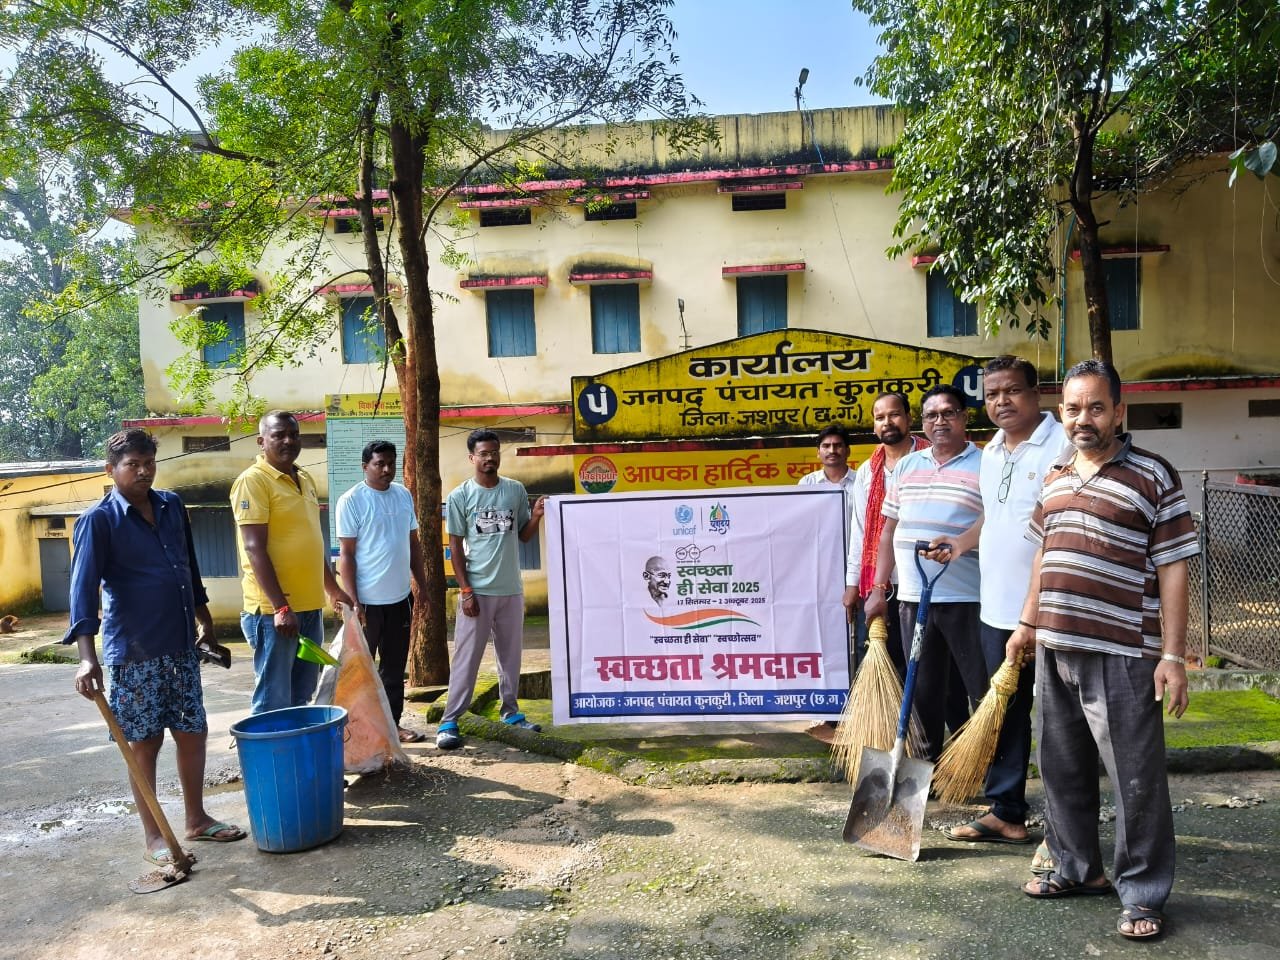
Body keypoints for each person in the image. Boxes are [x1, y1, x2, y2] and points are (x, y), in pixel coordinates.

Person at [1011, 359, 1198, 942]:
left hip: (1123, 651)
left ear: (1120, 411)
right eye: (1072, 408)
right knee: (1062, 769)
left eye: (1096, 407)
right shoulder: (1056, 474)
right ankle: (1076, 868)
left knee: (1135, 778)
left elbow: (1173, 567)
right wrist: (1025, 625)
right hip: (1055, 644)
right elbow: (1044, 557)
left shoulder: (1153, 475)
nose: (1083, 418)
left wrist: (1172, 656)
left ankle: (1141, 891)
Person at [66, 429, 245, 869]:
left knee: (192, 732)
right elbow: (83, 592)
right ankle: (154, 836)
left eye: (149, 462)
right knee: (143, 742)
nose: (144, 471)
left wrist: (206, 625)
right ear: (111, 471)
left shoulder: (171, 506)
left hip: (181, 644)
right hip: (134, 650)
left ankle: (196, 819)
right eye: (133, 464)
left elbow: (189, 567)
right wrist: (87, 657)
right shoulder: (99, 520)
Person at [938, 356, 1072, 847]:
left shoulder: (1062, 443)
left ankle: (1068, 826)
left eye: (1012, 391)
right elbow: (995, 519)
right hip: (995, 609)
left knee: (1062, 717)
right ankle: (1006, 812)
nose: (1001, 402)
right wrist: (957, 545)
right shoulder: (990, 452)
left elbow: (1053, 530)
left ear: (1036, 394)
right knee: (1001, 711)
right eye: (992, 394)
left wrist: (1033, 613)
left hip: (1055, 611)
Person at [863, 384, 987, 761]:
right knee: (923, 689)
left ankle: (984, 766)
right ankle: (926, 769)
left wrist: (960, 542)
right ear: (923, 422)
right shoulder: (907, 466)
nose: (940, 421)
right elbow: (888, 530)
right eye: (932, 415)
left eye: (948, 413)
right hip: (912, 597)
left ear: (964, 418)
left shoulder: (985, 463)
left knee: (977, 688)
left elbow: (995, 520)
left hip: (966, 598)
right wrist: (879, 586)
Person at [232, 410, 353, 715]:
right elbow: (253, 548)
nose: (288, 440)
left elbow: (313, 544)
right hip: (275, 613)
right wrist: (280, 607)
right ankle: (268, 761)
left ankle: (295, 759)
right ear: (262, 441)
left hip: (310, 608)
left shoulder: (306, 478)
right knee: (274, 698)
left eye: (294, 434)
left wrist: (333, 589)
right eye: (279, 435)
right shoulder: (253, 481)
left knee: (302, 693)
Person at [436, 429, 547, 750]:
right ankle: (449, 720)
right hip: (477, 592)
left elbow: (524, 536)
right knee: (466, 659)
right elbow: (455, 547)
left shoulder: (514, 491)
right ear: (472, 458)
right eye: (483, 454)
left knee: (510, 657)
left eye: (494, 452)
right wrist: (466, 590)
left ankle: (511, 712)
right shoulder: (460, 497)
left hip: (510, 589)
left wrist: (537, 516)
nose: (490, 458)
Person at [336, 440, 428, 744]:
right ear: (365, 467)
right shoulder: (351, 501)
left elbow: (413, 544)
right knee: (359, 672)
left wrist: (423, 588)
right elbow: (346, 555)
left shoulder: (403, 495)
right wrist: (354, 602)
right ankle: (356, 732)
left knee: (393, 670)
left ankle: (393, 727)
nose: (387, 469)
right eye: (379, 464)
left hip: (400, 600)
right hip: (367, 605)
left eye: (391, 463)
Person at [841, 392, 928, 676]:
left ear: (909, 418)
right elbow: (860, 531)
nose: (887, 422)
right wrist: (853, 584)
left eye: (894, 414)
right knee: (891, 666)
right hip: (884, 584)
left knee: (929, 666)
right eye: (880, 418)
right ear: (874, 426)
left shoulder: (930, 459)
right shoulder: (868, 471)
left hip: (926, 579)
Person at [798, 424, 858, 534]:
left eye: (838, 445)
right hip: (819, 549)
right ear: (818, 453)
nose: (832, 450)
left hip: (854, 549)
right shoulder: (807, 483)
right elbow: (802, 521)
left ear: (848, 451)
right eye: (826, 446)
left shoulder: (861, 481)